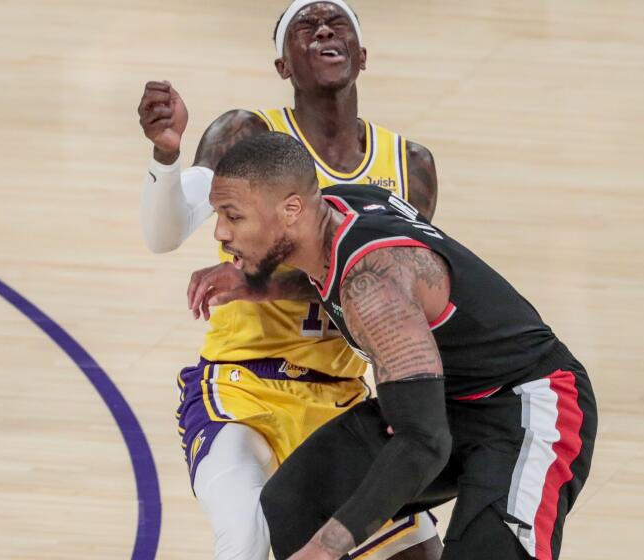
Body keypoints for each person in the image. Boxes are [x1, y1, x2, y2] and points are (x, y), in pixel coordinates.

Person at [188, 131, 598, 560]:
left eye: (233, 217)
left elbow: (424, 443)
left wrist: (326, 549)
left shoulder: (372, 289)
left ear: (291, 210)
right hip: (442, 396)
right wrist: (259, 285)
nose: (221, 232)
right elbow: (335, 272)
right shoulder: (338, 208)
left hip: (530, 408)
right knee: (293, 501)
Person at [136, 1, 441, 558]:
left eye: (337, 22)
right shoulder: (248, 134)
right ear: (282, 66)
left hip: (342, 400)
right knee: (248, 536)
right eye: (306, 24)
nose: (324, 28)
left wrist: (260, 285)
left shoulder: (409, 164)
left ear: (362, 55)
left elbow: (395, 288)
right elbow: (165, 233)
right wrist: (166, 156)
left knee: (417, 552)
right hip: (241, 386)